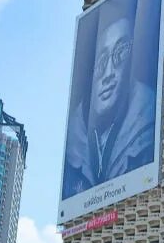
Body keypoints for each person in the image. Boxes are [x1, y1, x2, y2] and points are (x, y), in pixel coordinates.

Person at [62, 11, 156, 198]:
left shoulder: (148, 123)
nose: (108, 73)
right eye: (101, 61)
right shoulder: (74, 139)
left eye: (120, 54)